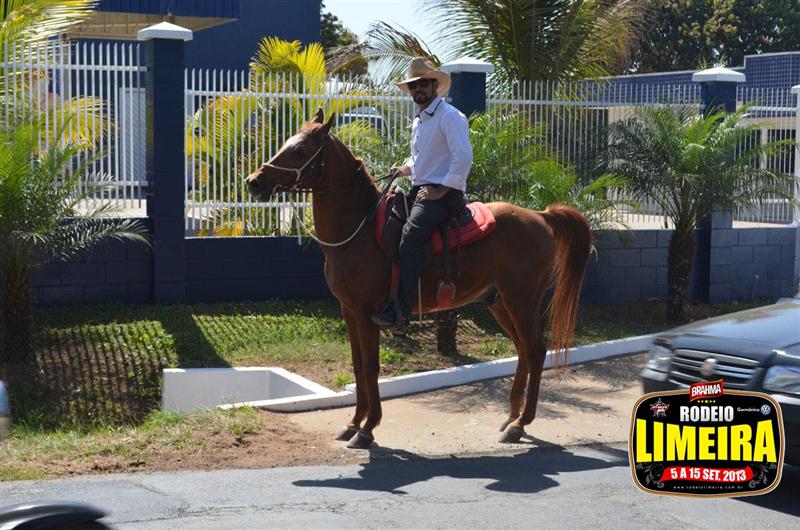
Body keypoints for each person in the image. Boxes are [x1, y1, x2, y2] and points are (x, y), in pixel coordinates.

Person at [371, 57, 473, 331]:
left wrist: (440, 190)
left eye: (423, 84)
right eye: (413, 85)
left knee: (410, 236)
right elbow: (420, 160)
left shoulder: (449, 116)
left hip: (445, 194)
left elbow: (463, 157)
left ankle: (400, 312)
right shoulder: (420, 121)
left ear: (434, 85)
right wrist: (403, 169)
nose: (418, 89)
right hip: (422, 190)